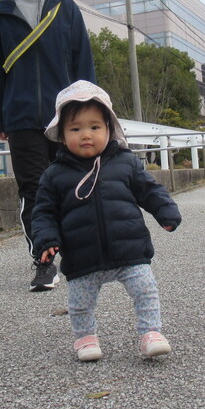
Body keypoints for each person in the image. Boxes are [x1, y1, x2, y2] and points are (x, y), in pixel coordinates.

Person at [31, 81, 181, 362]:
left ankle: (151, 333)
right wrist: (47, 240)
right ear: (63, 135)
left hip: (130, 250)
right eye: (75, 129)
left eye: (94, 127)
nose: (86, 135)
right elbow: (43, 212)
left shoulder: (125, 162)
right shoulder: (54, 174)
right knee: (80, 303)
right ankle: (85, 338)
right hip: (82, 254)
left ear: (109, 128)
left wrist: (166, 211)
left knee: (145, 290)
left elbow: (149, 190)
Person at [0, 0, 95, 292]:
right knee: (34, 191)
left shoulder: (67, 10)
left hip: (65, 118)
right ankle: (44, 261)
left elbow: (83, 65)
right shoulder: (1, 16)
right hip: (21, 119)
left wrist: (89, 111)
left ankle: (80, 253)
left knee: (74, 187)